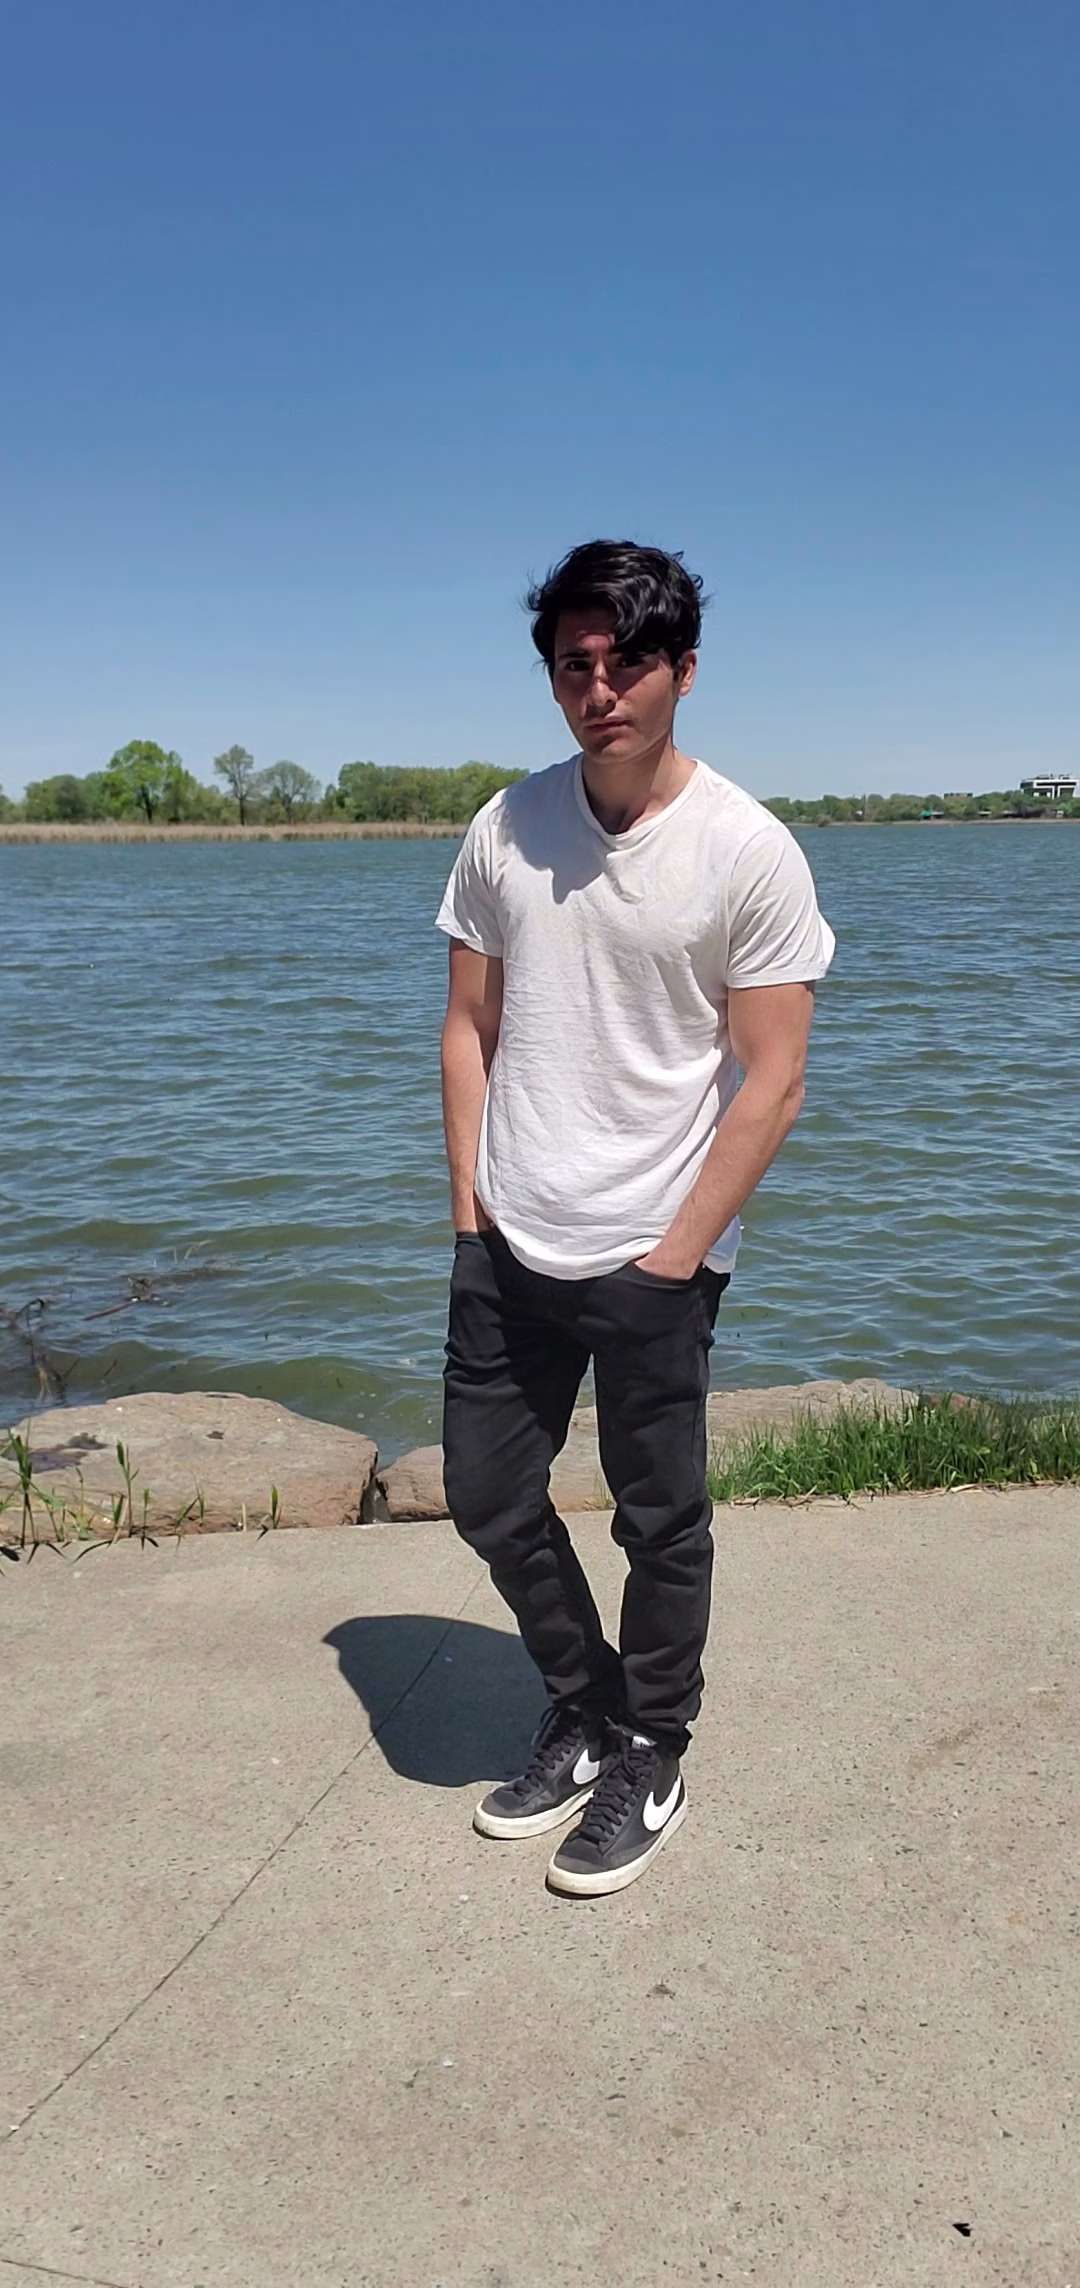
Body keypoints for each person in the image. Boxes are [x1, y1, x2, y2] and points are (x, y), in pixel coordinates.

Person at [436, 538, 834, 1897]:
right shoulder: (504, 828)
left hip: (658, 1249)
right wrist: (470, 1210)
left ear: (684, 671)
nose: (600, 689)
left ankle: (656, 1747)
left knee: (659, 1523)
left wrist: (675, 1258)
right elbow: (469, 1026)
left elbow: (775, 1077)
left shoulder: (746, 849)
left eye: (629, 661)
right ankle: (589, 1705)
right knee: (489, 1496)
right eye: (575, 665)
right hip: (510, 1233)